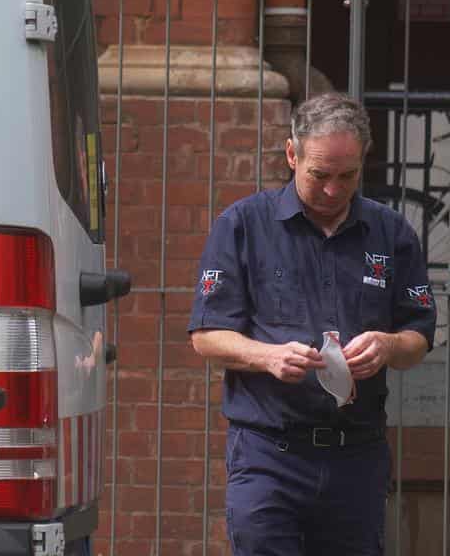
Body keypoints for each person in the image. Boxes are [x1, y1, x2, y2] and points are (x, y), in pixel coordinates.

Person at [187, 92, 436, 556]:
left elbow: (418, 338)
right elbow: (206, 336)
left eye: (348, 176)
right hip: (268, 455)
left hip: (356, 456)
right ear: (291, 154)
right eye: (319, 175)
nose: (332, 190)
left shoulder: (392, 232)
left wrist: (388, 344)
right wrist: (267, 356)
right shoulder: (242, 225)